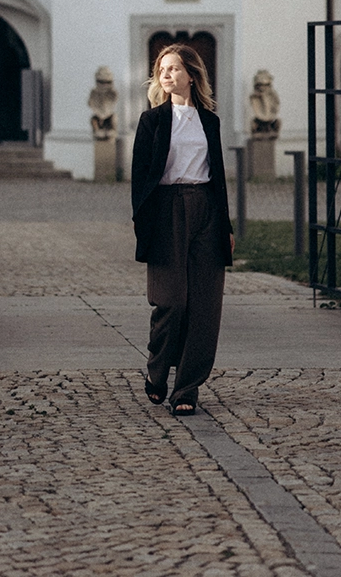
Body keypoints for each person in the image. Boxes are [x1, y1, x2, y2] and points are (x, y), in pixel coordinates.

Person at [131, 44, 234, 415]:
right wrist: (143, 224)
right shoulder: (152, 121)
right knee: (171, 301)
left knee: (205, 306)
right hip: (166, 210)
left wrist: (226, 225)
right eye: (162, 69)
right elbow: (139, 178)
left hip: (206, 208)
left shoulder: (210, 121)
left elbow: (218, 177)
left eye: (173, 68)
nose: (166, 74)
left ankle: (187, 389)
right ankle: (157, 371)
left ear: (191, 75)